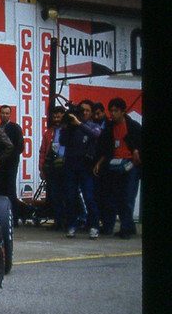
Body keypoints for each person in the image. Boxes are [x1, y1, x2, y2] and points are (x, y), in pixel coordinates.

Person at [93, 97, 142, 239]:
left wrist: (136, 151)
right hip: (115, 166)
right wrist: (99, 163)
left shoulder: (133, 126)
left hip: (130, 165)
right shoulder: (109, 128)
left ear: (122, 111)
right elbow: (105, 148)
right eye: (111, 111)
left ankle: (126, 228)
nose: (113, 114)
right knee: (118, 198)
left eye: (116, 111)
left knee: (127, 197)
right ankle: (128, 226)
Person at [59, 100, 101, 238]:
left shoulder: (93, 126)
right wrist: (67, 126)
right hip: (71, 163)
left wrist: (79, 124)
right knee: (70, 197)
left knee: (89, 196)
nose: (84, 113)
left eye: (87, 110)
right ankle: (72, 225)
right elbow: (63, 141)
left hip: (85, 164)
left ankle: (94, 225)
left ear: (91, 113)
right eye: (82, 110)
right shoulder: (72, 127)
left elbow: (96, 135)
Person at [38, 106, 67, 228]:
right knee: (54, 195)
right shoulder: (48, 133)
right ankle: (58, 221)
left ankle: (71, 220)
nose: (56, 119)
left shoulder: (69, 130)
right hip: (52, 168)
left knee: (67, 195)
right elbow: (43, 151)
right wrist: (42, 168)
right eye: (54, 117)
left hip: (66, 167)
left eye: (59, 116)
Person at [0, 105, 23, 224]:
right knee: (1, 189)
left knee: (10, 189)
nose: (4, 115)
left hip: (11, 163)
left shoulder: (15, 128)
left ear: (10, 114)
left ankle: (15, 217)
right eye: (2, 113)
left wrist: (10, 158)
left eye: (7, 113)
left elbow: (19, 146)